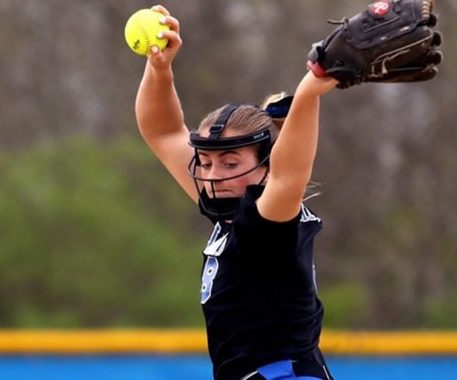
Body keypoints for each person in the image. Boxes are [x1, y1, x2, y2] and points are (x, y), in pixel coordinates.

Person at [134, 5, 337, 380]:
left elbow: (289, 178)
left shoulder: (268, 219)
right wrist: (159, 69)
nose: (213, 175)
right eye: (207, 162)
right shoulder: (231, 210)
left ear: (266, 165)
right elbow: (162, 132)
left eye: (230, 163)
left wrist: (310, 90)